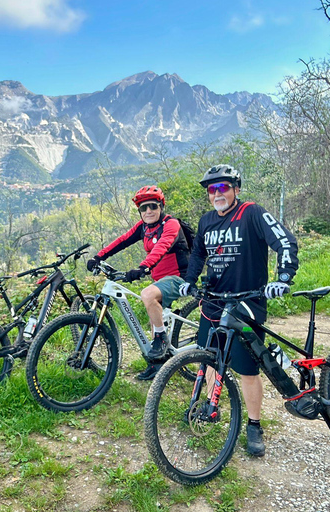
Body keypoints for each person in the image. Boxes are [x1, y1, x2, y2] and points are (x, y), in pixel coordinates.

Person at [179, 164, 298, 457]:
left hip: (246, 303)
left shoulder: (252, 213)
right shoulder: (207, 221)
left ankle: (254, 424)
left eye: (223, 188)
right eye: (212, 189)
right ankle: (210, 408)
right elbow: (197, 254)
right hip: (213, 302)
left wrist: (283, 278)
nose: (218, 193)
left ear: (236, 189)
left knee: (247, 370)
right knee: (207, 360)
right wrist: (189, 281)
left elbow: (285, 241)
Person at [87, 186, 190, 380]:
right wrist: (98, 257)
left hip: (179, 278)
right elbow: (122, 241)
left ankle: (161, 339)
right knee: (154, 316)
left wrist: (143, 267)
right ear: (140, 212)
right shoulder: (143, 227)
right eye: (144, 208)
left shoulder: (171, 224)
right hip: (159, 279)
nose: (148, 211)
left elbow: (162, 247)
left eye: (153, 206)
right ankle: (158, 365)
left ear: (161, 207)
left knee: (147, 295)